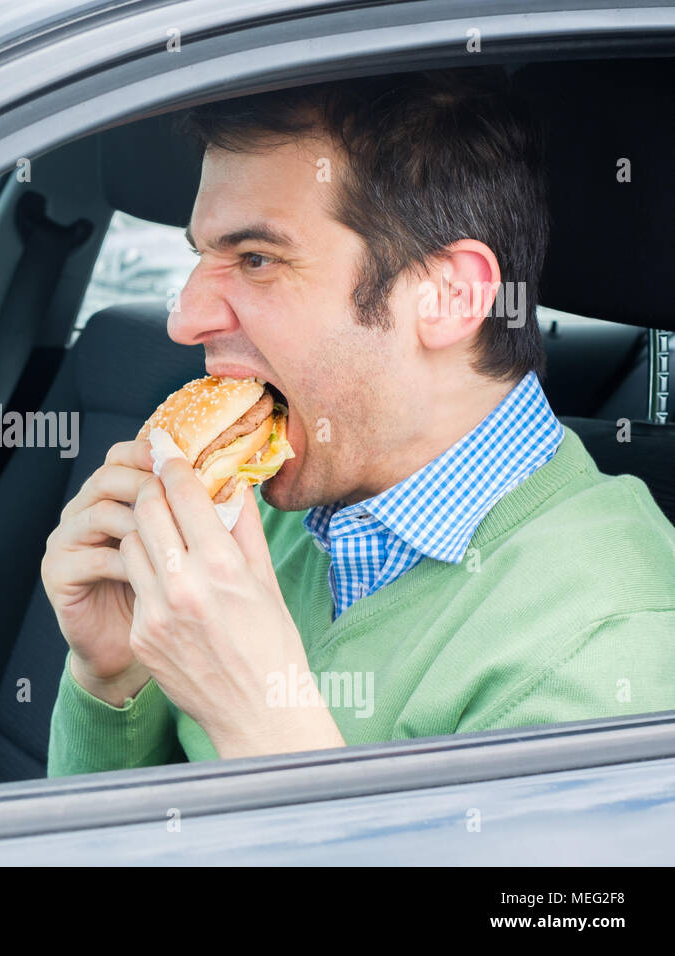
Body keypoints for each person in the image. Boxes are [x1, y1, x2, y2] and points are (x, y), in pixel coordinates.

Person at [43, 69, 675, 774]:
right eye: (200, 256)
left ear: (448, 296)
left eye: (255, 259)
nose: (184, 319)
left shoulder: (608, 646)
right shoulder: (253, 514)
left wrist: (260, 720)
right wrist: (114, 680)